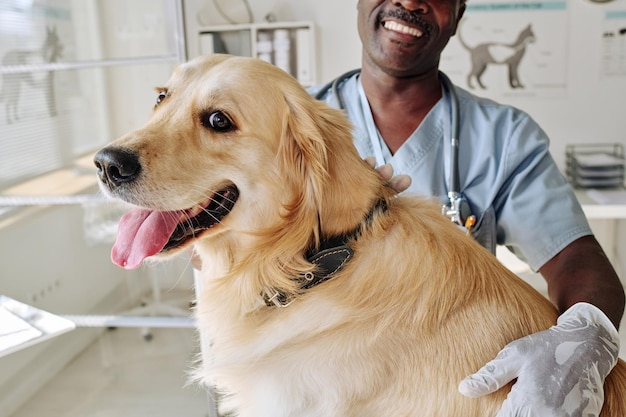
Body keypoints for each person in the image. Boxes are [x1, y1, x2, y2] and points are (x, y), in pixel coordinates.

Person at [312, 0, 625, 415]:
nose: (409, 2)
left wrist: (582, 342)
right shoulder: (289, 126)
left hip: (449, 391)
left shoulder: (503, 140)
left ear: (458, 15)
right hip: (316, 387)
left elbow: (576, 260)